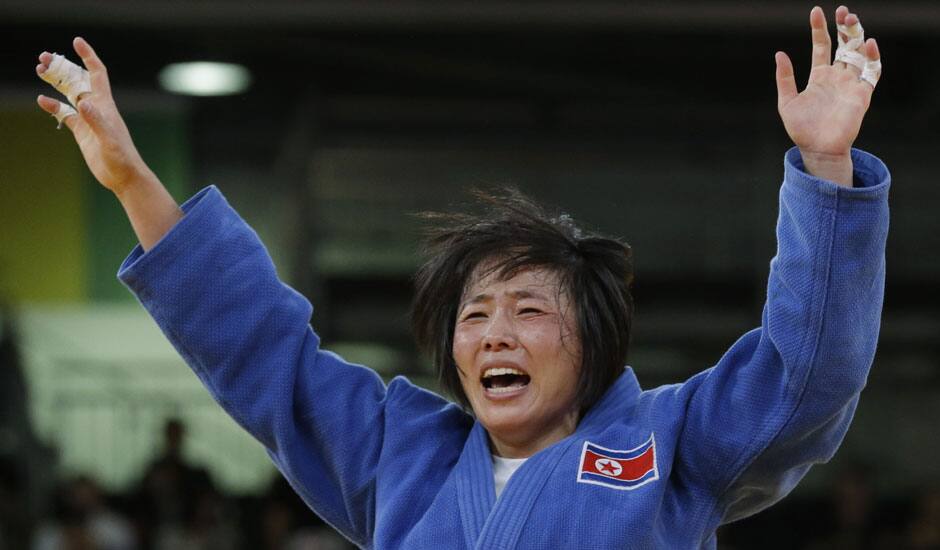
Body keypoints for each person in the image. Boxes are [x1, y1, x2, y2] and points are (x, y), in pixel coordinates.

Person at [34, 5, 889, 548]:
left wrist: (824, 164)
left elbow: (804, 373)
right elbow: (259, 354)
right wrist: (131, 181)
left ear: (591, 342)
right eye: (474, 315)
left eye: (527, 309)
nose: (494, 334)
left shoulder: (669, 447)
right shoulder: (401, 457)